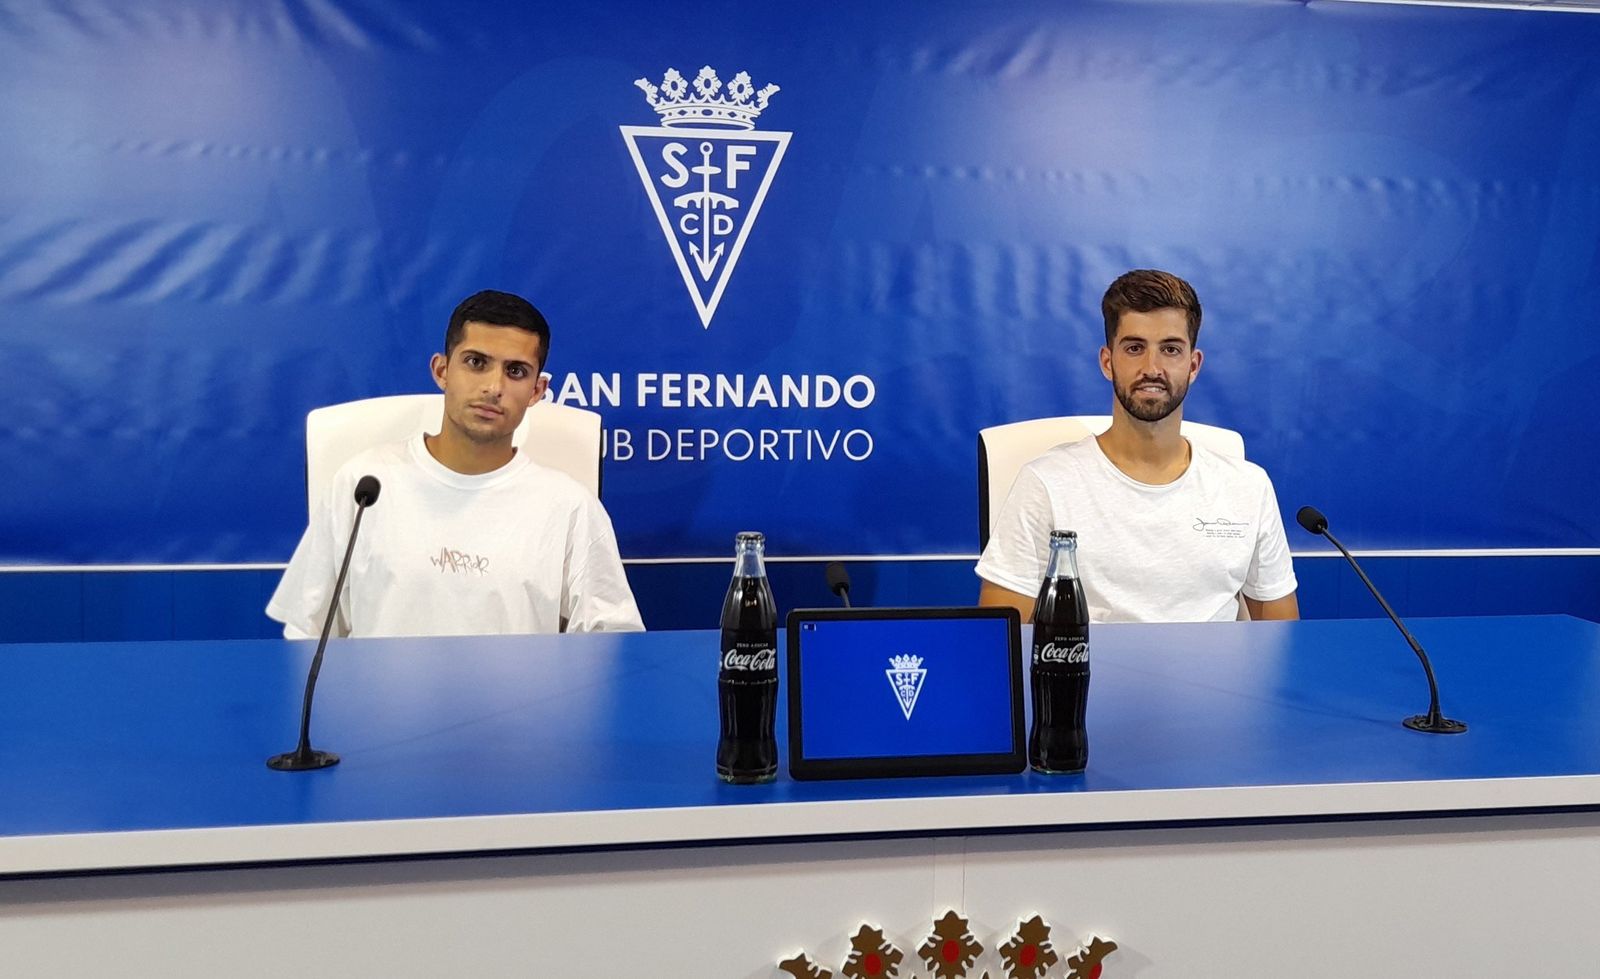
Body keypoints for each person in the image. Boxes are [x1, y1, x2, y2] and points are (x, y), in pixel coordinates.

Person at [267, 289, 644, 638]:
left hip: (523, 709)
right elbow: (307, 633)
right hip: (379, 708)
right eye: (476, 362)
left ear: (537, 391)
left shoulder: (568, 507)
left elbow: (611, 643)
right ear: (442, 371)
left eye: (515, 371)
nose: (494, 387)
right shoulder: (365, 484)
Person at [976, 269, 1298, 623]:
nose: (1152, 368)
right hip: (1090, 679)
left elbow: (1280, 638)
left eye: (1170, 349)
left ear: (1193, 365)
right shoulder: (1046, 484)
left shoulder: (1248, 486)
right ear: (1107, 362)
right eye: (1134, 348)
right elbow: (1004, 644)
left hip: (1218, 678)